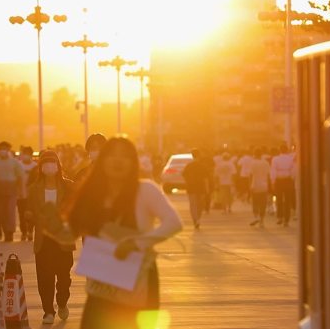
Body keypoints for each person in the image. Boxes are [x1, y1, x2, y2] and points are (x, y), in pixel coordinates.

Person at [67, 137, 182, 329]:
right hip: (103, 276)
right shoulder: (93, 192)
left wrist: (137, 244)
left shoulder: (146, 190)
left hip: (139, 276)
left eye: (125, 156)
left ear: (134, 162)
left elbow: (173, 223)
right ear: (102, 160)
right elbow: (73, 226)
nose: (118, 161)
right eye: (112, 155)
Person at [26, 151, 75, 325]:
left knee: (63, 277)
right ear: (40, 167)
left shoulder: (69, 187)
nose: (49, 166)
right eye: (45, 163)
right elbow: (28, 210)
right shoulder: (33, 189)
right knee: (45, 277)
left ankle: (62, 302)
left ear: (58, 165)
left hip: (62, 238)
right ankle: (48, 310)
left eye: (52, 162)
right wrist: (30, 216)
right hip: (43, 239)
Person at [0, 141, 23, 242]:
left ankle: (10, 232)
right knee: (2, 212)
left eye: (5, 149)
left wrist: (20, 190)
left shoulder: (14, 162)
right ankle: (5, 231)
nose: (3, 151)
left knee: (10, 212)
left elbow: (20, 176)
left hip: (12, 189)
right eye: (1, 149)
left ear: (8, 150)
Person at [182, 149, 209, 230]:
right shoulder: (203, 166)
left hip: (191, 187)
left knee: (193, 204)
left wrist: (188, 183)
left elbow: (184, 176)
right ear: (199, 155)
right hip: (201, 188)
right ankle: (198, 219)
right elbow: (206, 178)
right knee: (200, 205)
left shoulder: (188, 166)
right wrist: (207, 189)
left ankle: (195, 219)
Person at [271, 144, 296, 227]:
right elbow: (293, 170)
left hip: (279, 180)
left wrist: (273, 181)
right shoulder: (291, 159)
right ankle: (286, 220)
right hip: (288, 180)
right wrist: (292, 178)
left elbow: (273, 170)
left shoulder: (275, 159)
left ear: (280, 150)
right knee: (287, 200)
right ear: (286, 150)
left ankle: (279, 217)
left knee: (279, 199)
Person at [18, 146, 38, 241]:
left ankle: (30, 231)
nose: (26, 156)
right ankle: (24, 232)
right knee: (22, 214)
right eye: (24, 153)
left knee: (31, 214)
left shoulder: (35, 166)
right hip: (21, 194)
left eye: (28, 154)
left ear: (31, 155)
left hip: (32, 195)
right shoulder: (18, 165)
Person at [249, 148, 272, 228]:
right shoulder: (265, 163)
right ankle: (262, 221)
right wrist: (269, 185)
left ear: (254, 154)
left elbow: (251, 175)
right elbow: (269, 175)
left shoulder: (252, 163)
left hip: (255, 185)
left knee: (255, 202)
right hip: (264, 185)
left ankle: (256, 217)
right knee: (263, 203)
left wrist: (249, 185)